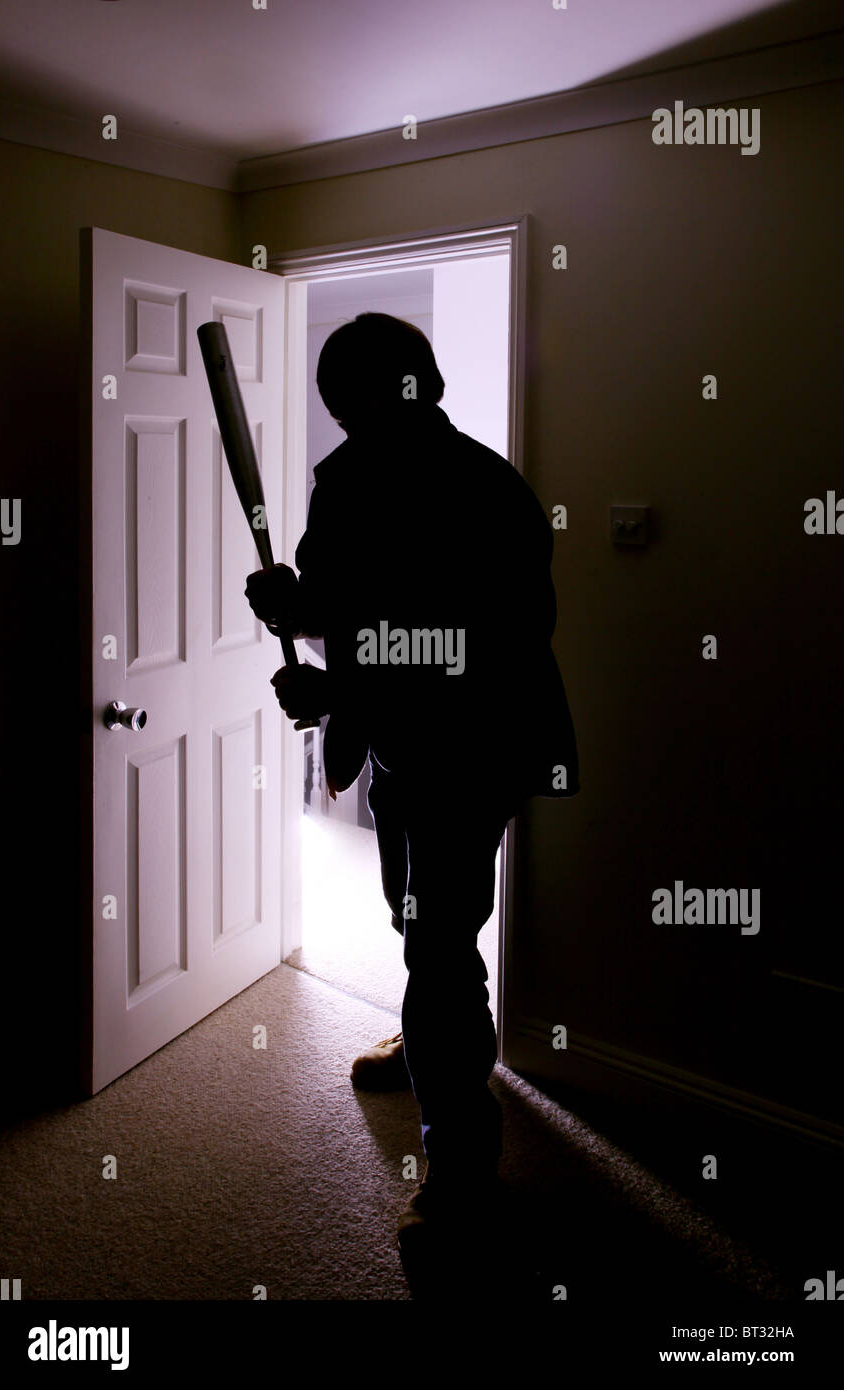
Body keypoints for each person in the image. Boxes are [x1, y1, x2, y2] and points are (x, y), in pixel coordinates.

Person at [245, 312, 578, 1249]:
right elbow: (351, 610)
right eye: (338, 404)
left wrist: (338, 680)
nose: (347, 418)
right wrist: (297, 608)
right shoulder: (346, 480)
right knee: (410, 915)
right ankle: (423, 1032)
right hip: (398, 743)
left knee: (439, 950)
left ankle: (462, 1167)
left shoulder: (485, 494)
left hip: (473, 745)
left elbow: (479, 647)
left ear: (421, 384)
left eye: (361, 398)